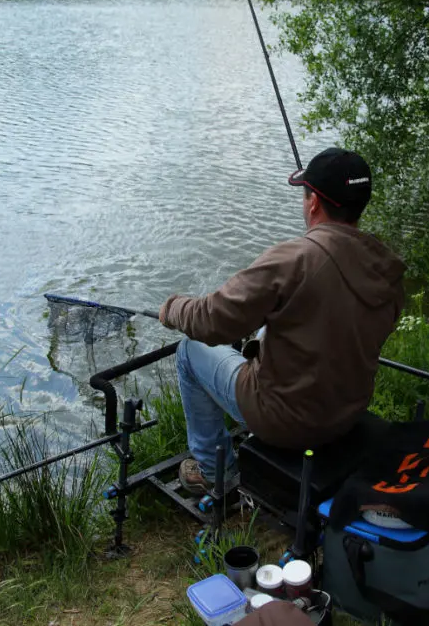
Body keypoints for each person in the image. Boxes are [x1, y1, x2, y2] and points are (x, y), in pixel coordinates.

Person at [158, 147, 406, 494]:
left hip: (285, 421)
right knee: (269, 325)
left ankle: (215, 471)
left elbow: (212, 320)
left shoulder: (294, 259)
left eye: (305, 196)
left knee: (189, 349)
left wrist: (172, 309)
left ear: (314, 203)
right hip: (346, 412)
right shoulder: (387, 268)